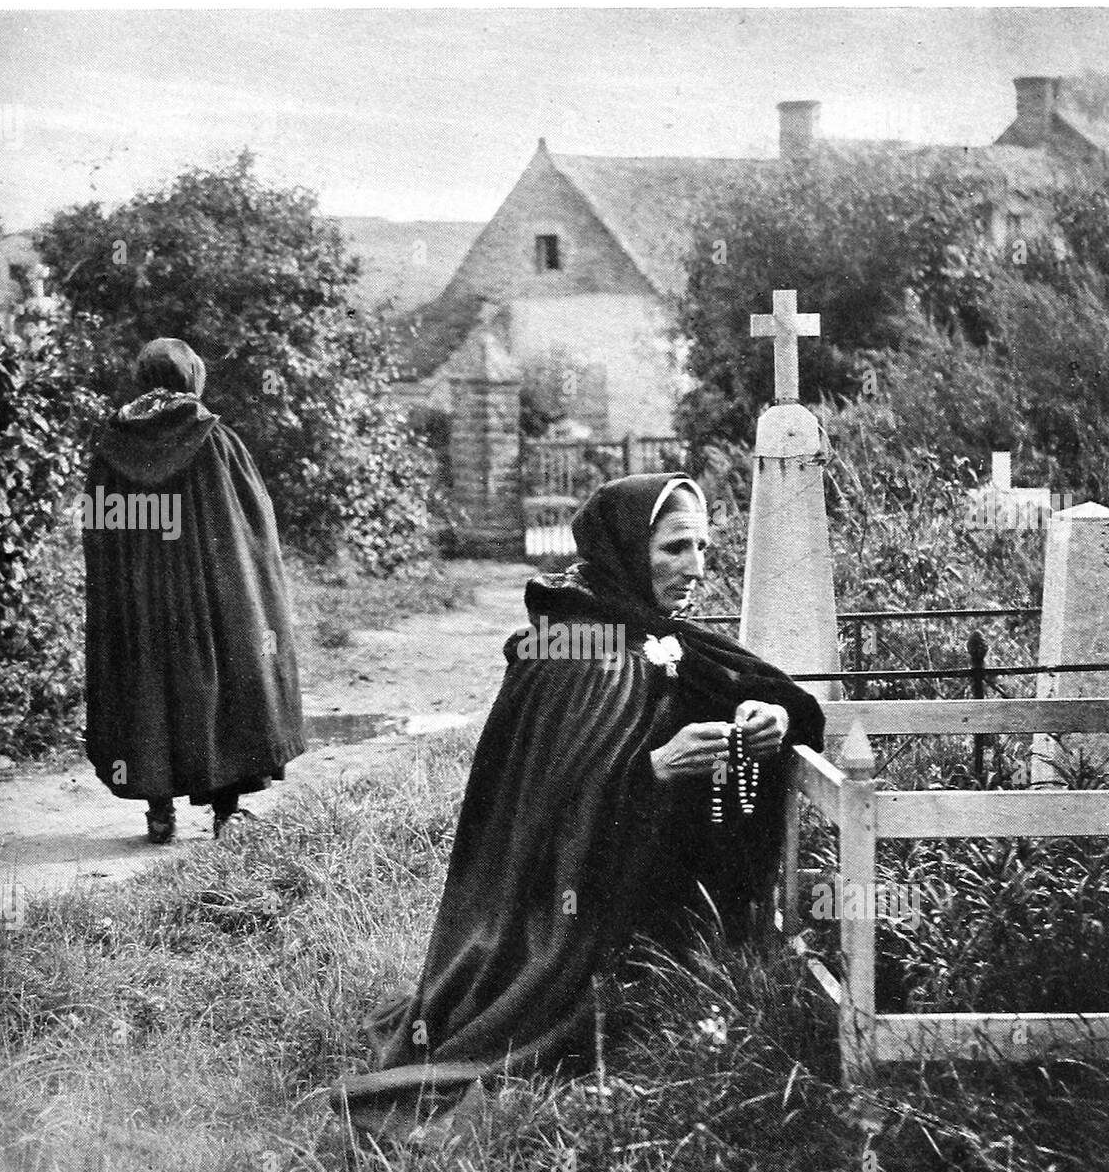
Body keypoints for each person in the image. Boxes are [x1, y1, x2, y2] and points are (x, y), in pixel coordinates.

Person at [331, 472, 824, 1135]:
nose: (696, 568)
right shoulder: (569, 646)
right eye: (675, 549)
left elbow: (755, 689)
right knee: (559, 1031)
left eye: (703, 549)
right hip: (563, 916)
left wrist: (768, 717)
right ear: (625, 548)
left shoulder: (655, 633)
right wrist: (652, 770)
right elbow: (542, 809)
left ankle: (671, 977)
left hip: (650, 897)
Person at [83, 337, 305, 842]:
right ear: (193, 377)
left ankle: (159, 812)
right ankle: (226, 813)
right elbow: (248, 531)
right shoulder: (214, 441)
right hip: (207, 594)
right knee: (222, 677)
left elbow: (100, 531)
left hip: (139, 599)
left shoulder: (112, 446)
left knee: (147, 687)